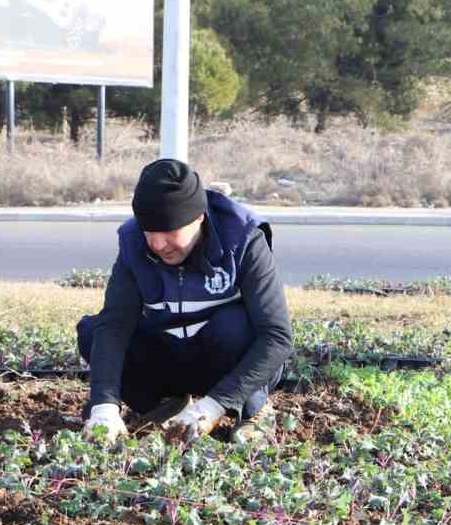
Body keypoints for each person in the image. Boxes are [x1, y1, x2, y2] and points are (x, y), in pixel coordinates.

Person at [78, 159, 292, 444]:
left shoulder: (243, 239)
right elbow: (115, 325)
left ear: (199, 218)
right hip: (170, 356)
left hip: (221, 361)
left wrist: (213, 406)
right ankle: (164, 406)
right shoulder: (133, 244)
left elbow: (277, 338)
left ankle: (253, 411)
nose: (157, 244)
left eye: (168, 232)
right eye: (148, 231)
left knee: (236, 326)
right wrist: (103, 405)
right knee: (93, 332)